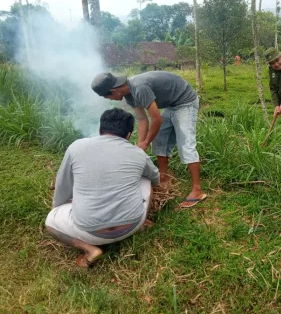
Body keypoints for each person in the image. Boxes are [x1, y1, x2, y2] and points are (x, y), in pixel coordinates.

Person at [45, 108, 160, 267]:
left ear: (100, 130)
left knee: (50, 222)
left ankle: (90, 249)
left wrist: (59, 207)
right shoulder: (138, 153)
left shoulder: (76, 147)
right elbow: (156, 178)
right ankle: (142, 224)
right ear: (128, 135)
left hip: (89, 232)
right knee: (147, 179)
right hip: (131, 225)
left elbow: (63, 183)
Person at [91, 71, 206, 208]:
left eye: (107, 97)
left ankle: (197, 190)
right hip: (171, 104)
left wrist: (146, 142)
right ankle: (163, 177)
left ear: (113, 91)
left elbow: (156, 119)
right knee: (159, 140)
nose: (109, 100)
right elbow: (142, 119)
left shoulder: (140, 89)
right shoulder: (129, 95)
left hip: (185, 101)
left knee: (186, 144)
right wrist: (141, 145)